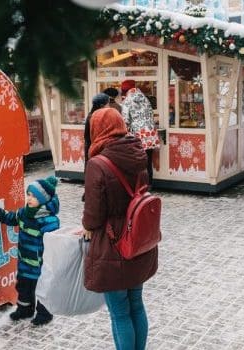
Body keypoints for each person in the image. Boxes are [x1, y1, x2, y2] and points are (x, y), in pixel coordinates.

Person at [82, 107, 158, 350]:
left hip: (113, 246)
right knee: (136, 304)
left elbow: (93, 217)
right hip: (138, 240)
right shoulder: (138, 153)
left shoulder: (98, 163)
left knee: (119, 312)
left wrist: (86, 227)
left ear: (97, 130)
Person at [0, 176, 60, 326]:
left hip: (41, 265)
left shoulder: (49, 220)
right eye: (28, 195)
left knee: (42, 289)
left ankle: (44, 314)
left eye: (34, 196)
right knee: (23, 287)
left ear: (44, 200)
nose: (29, 199)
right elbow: (12, 218)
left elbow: (53, 243)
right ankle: (25, 310)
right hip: (25, 262)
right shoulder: (24, 213)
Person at [120, 79, 160, 186]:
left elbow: (125, 121)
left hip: (137, 136)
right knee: (148, 161)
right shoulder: (144, 98)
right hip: (150, 135)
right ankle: (149, 184)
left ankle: (139, 185)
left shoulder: (127, 100)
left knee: (137, 162)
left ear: (125, 90)